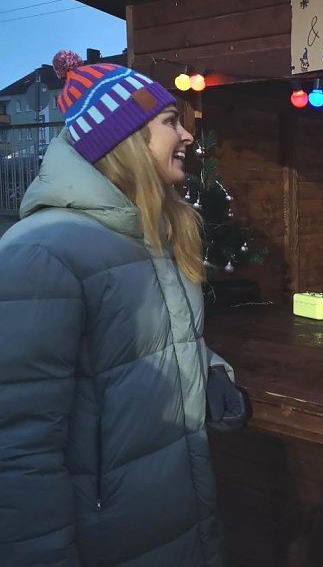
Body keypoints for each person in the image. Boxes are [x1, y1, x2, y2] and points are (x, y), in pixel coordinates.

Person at [0, 51, 240, 565]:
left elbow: (144, 348)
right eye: (171, 121)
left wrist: (211, 369)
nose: (188, 136)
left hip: (173, 525)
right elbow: (16, 450)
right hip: (106, 542)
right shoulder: (44, 253)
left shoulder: (151, 236)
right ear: (123, 139)